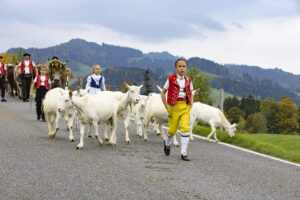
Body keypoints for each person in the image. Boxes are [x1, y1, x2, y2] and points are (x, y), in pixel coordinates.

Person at [161, 58, 194, 161]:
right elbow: (163, 92)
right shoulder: (170, 79)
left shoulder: (188, 80)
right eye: (179, 66)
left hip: (185, 107)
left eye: (184, 66)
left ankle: (183, 153)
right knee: (172, 130)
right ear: (175, 68)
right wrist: (166, 105)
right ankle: (167, 144)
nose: (182, 68)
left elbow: (191, 92)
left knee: (185, 128)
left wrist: (191, 103)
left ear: (186, 68)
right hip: (173, 107)